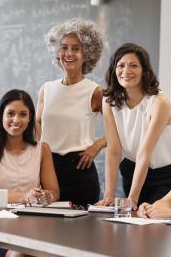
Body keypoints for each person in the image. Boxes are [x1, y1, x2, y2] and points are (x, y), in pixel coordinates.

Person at [97, 43, 171, 209]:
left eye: (134, 65)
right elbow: (114, 151)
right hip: (133, 169)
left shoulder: (160, 102)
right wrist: (108, 195)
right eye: (121, 65)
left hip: (168, 174)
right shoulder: (109, 101)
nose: (126, 71)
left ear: (145, 70)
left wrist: (133, 199)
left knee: (151, 220)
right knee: (131, 223)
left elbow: (145, 153)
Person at [0, 89, 59, 257]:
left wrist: (47, 196)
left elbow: (54, 192)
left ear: (30, 118)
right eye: (10, 114)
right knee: (21, 254)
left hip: (32, 227)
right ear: (1, 116)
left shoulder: (42, 149)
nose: (16, 120)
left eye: (23, 114)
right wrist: (25, 196)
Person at [36, 19, 106, 207]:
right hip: (46, 170)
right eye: (64, 47)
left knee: (81, 235)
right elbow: (36, 129)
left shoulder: (96, 92)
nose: (68, 53)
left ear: (87, 54)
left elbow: (120, 131)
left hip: (79, 173)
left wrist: (96, 146)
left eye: (76, 48)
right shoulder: (46, 89)